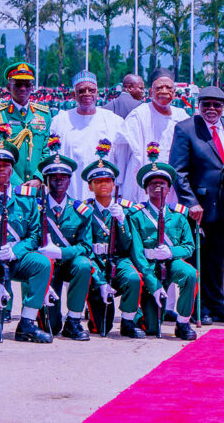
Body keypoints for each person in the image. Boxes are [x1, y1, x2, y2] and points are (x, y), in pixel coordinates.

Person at [170, 86, 224, 325]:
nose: (211, 109)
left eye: (217, 104)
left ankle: (217, 304)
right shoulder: (186, 129)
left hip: (223, 206)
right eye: (206, 104)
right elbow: (178, 171)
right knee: (197, 257)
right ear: (197, 105)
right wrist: (190, 202)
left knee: (217, 258)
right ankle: (196, 306)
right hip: (198, 207)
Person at [81, 141, 154, 339]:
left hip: (119, 259)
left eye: (107, 181)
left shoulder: (126, 208)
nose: (103, 184)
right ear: (90, 186)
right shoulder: (84, 210)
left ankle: (129, 321)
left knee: (132, 278)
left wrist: (121, 220)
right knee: (100, 328)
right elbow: (84, 245)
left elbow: (128, 244)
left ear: (114, 184)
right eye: (98, 181)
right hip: (96, 262)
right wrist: (100, 279)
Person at [129, 147, 198, 340]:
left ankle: (183, 323)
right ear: (145, 189)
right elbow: (136, 253)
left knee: (190, 273)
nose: (157, 187)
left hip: (171, 262)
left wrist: (170, 252)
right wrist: (152, 282)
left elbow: (189, 246)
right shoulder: (136, 216)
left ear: (169, 189)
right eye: (153, 184)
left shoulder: (178, 216)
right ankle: (140, 314)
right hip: (148, 267)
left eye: (162, 183)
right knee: (151, 328)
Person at [0, 135, 53, 343]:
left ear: (12, 169)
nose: (2, 169)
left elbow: (34, 235)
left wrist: (15, 251)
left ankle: (27, 323)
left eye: (6, 165)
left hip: (16, 257)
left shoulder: (25, 198)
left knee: (41, 263)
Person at [35, 138, 93, 340]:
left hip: (68, 264)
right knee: (51, 326)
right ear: (46, 180)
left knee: (84, 264)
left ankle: (74, 320)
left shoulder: (81, 211)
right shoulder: (36, 208)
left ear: (69, 180)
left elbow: (86, 247)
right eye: (53, 177)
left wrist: (61, 252)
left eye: (63, 177)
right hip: (45, 267)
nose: (58, 181)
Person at [114, 69, 190, 203]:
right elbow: (122, 152)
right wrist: (119, 185)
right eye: (159, 88)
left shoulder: (182, 116)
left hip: (174, 185)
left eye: (169, 88)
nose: (165, 91)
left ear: (174, 91)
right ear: (150, 92)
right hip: (143, 184)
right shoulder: (138, 115)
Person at [49, 71, 124, 202]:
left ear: (97, 93)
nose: (87, 94)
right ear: (74, 95)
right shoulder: (60, 121)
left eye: (91, 90)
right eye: (82, 90)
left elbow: (121, 160)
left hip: (105, 197)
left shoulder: (114, 121)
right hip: (70, 194)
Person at [0, 62, 52, 187]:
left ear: (32, 87)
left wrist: (38, 178)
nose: (23, 89)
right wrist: (17, 184)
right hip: (7, 186)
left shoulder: (44, 115)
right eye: (18, 84)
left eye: (27, 85)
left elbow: (46, 151)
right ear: (8, 87)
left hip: (36, 188)